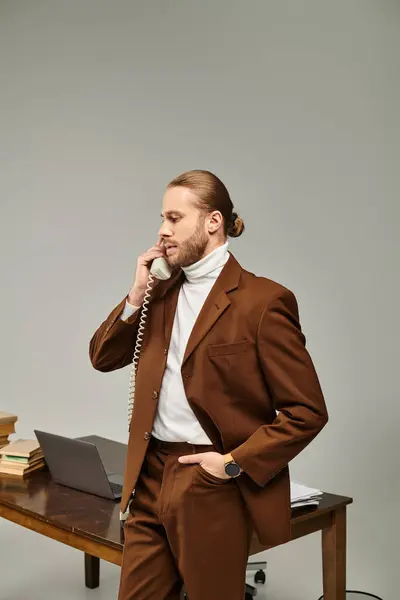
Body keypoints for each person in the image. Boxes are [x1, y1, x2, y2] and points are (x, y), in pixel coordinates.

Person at [89, 169, 328, 600]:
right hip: (148, 474)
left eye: (175, 218)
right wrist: (137, 294)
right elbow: (102, 357)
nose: (162, 230)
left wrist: (232, 463)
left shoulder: (263, 302)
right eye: (162, 218)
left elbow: (307, 411)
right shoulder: (160, 293)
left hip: (209, 481)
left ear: (213, 222)